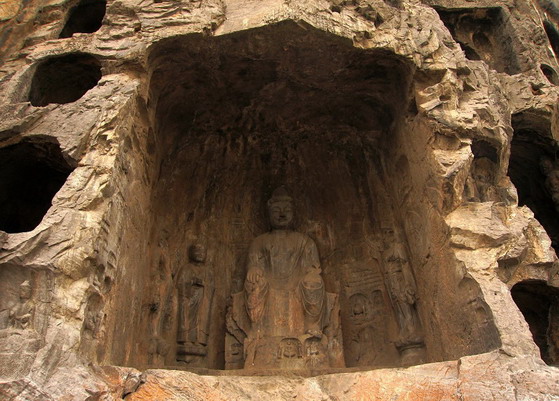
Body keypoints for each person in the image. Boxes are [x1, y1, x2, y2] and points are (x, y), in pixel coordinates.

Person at [244, 187, 326, 339]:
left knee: (314, 281)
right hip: (268, 284)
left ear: (294, 213)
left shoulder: (305, 241)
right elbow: (254, 264)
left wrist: (311, 275)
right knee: (254, 282)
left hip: (297, 285)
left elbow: (313, 268)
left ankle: (311, 324)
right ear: (268, 213)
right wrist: (254, 269)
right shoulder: (259, 242)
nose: (282, 214)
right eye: (276, 210)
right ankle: (257, 327)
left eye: (286, 210)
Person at [176, 243, 213, 364]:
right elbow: (180, 283)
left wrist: (204, 284)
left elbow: (211, 286)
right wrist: (191, 282)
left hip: (202, 299)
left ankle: (199, 341)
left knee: (201, 320)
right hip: (189, 299)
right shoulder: (186, 268)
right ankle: (186, 339)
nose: (200, 255)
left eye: (202, 252)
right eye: (197, 252)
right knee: (186, 317)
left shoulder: (207, 271)